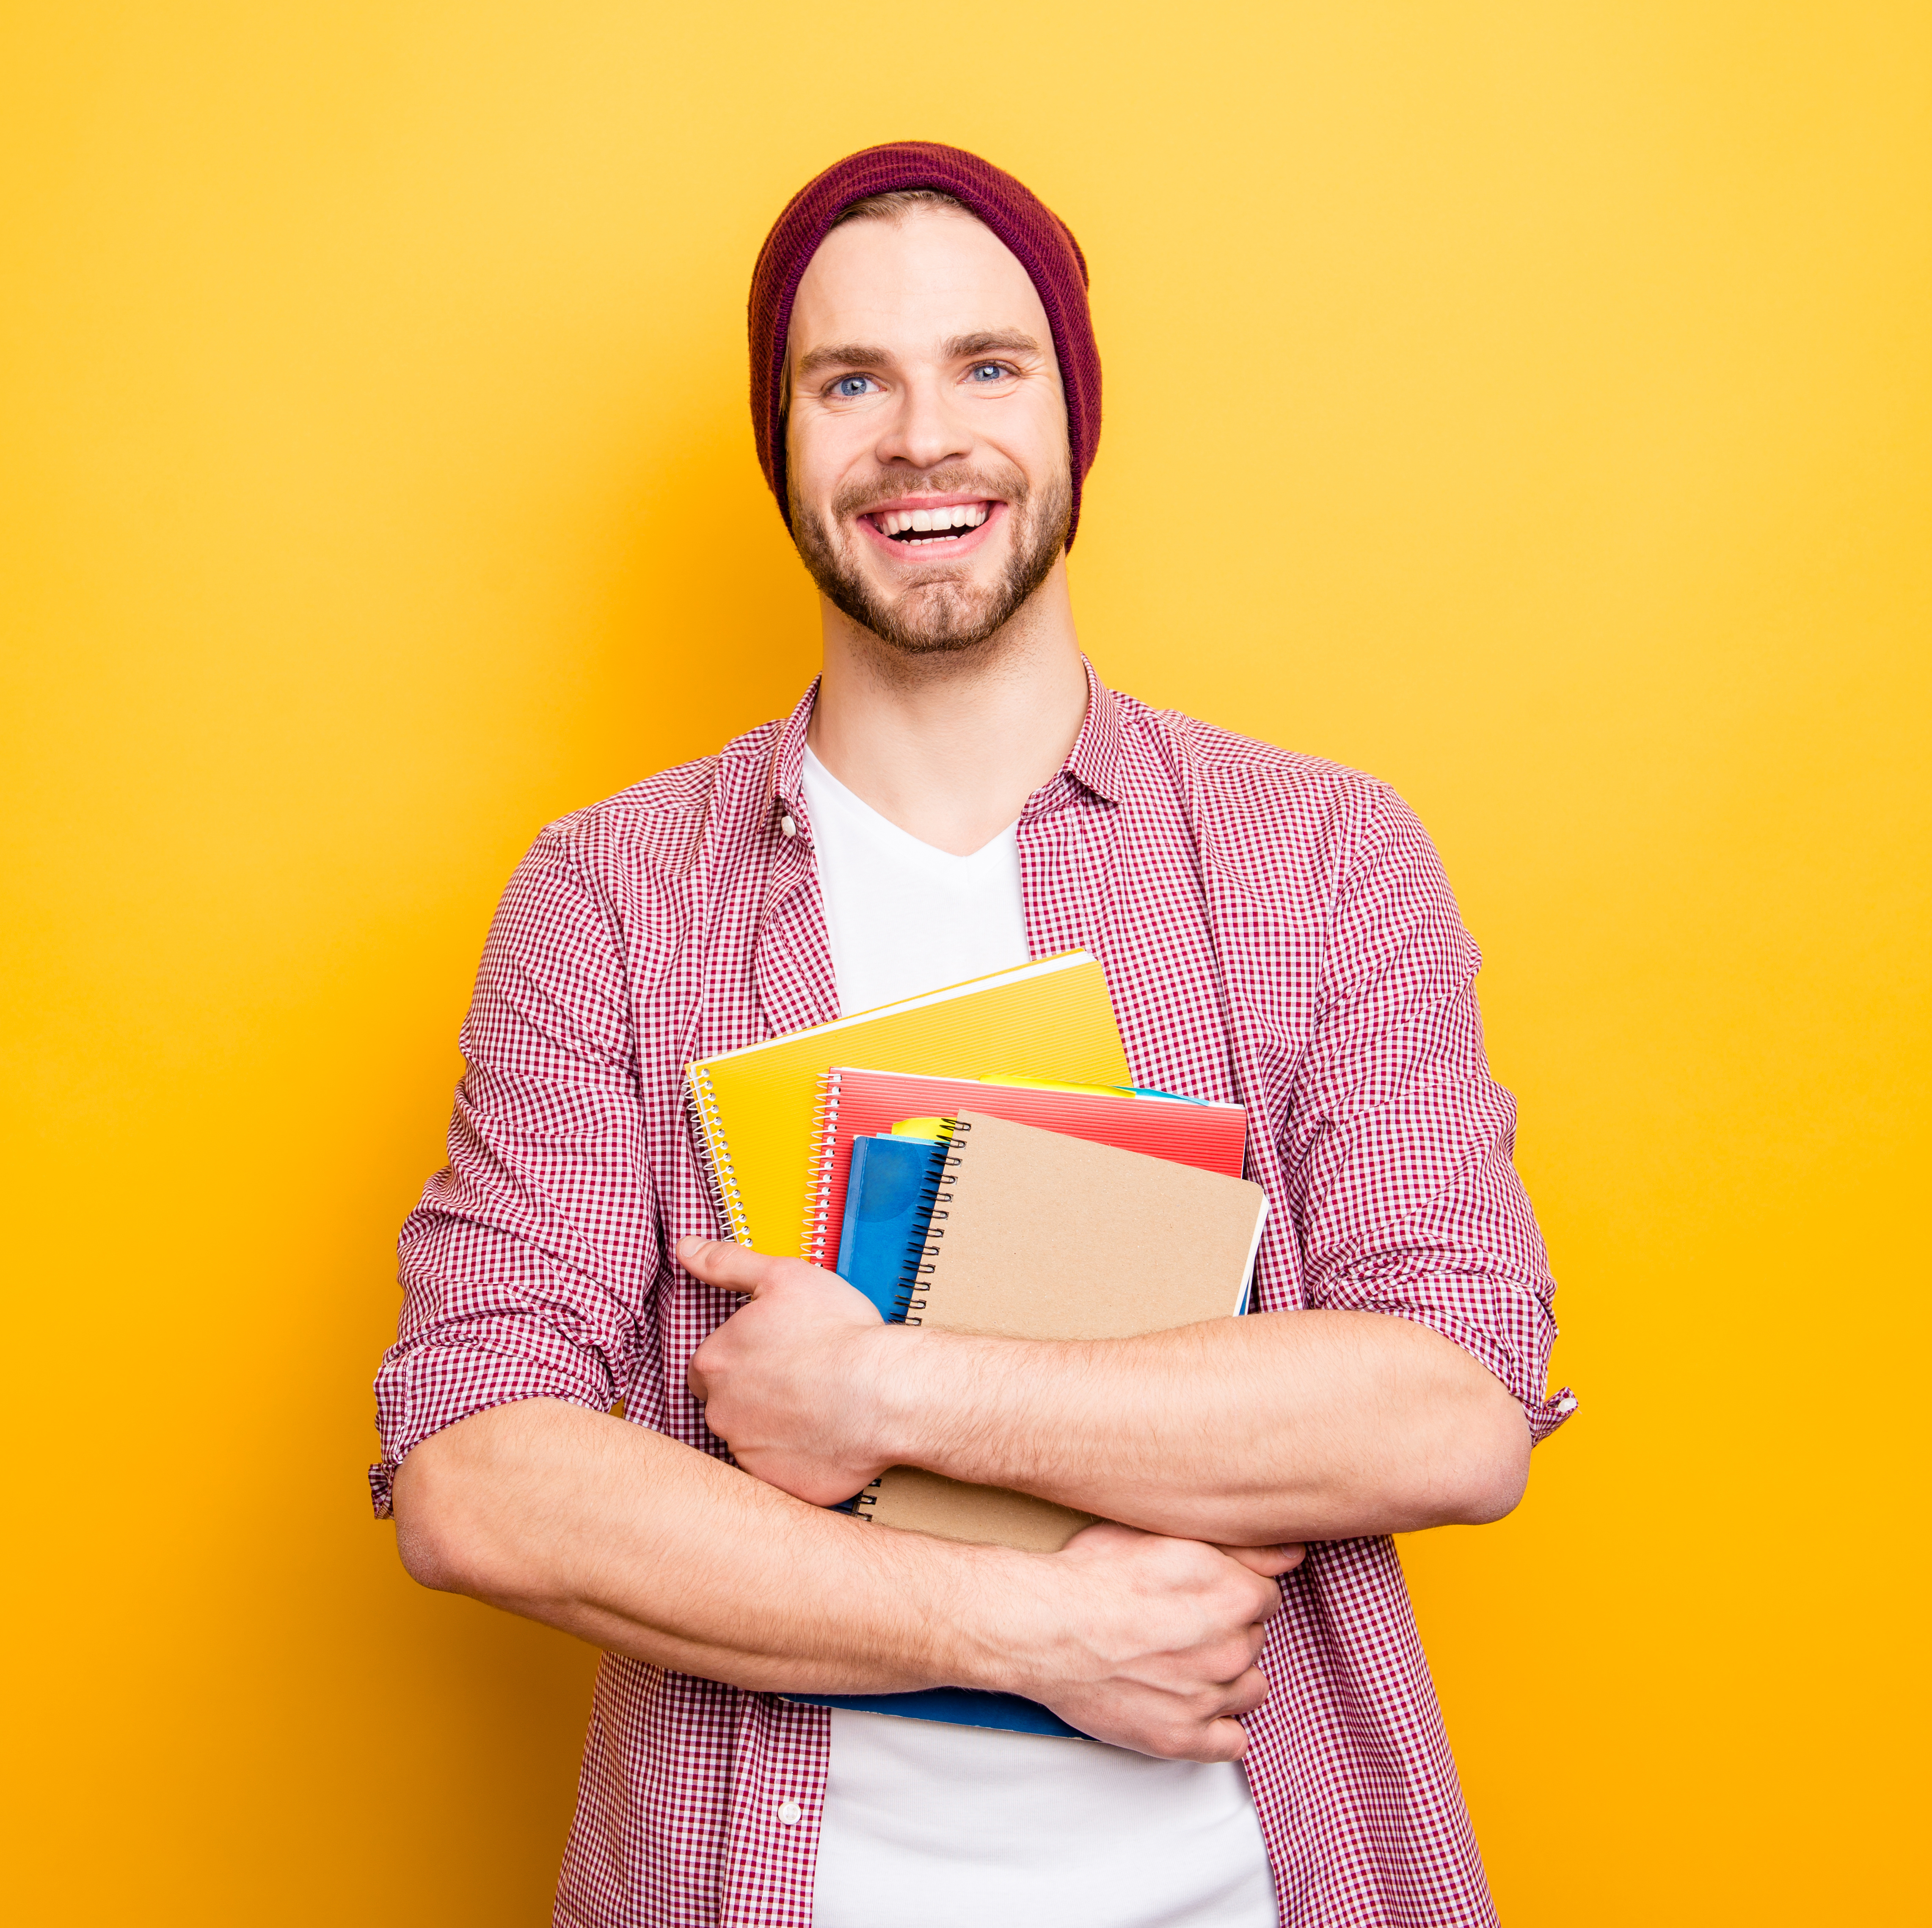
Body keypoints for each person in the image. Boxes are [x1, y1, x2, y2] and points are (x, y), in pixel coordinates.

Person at [374, 141, 1574, 1928]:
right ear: (783, 443)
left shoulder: (1319, 858)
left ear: (1076, 416)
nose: (919, 436)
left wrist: (881, 1393)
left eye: (985, 367)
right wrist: (1033, 1630)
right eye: (849, 380)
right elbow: (475, 1465)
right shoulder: (608, 902)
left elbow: (1454, 1398)